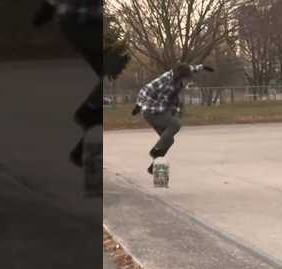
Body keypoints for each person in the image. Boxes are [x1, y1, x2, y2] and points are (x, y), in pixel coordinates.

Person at [32, 0, 129, 167]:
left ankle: (83, 149)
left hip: (88, 22)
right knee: (121, 64)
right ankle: (89, 111)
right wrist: (47, 7)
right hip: (81, 22)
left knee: (111, 79)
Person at [131, 63, 214, 174]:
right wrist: (138, 105)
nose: (186, 81)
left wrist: (203, 67)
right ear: (179, 76)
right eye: (185, 79)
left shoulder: (182, 72)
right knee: (175, 124)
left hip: (161, 111)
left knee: (168, 140)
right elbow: (145, 90)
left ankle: (153, 167)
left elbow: (192, 68)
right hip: (152, 112)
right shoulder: (165, 79)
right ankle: (154, 152)